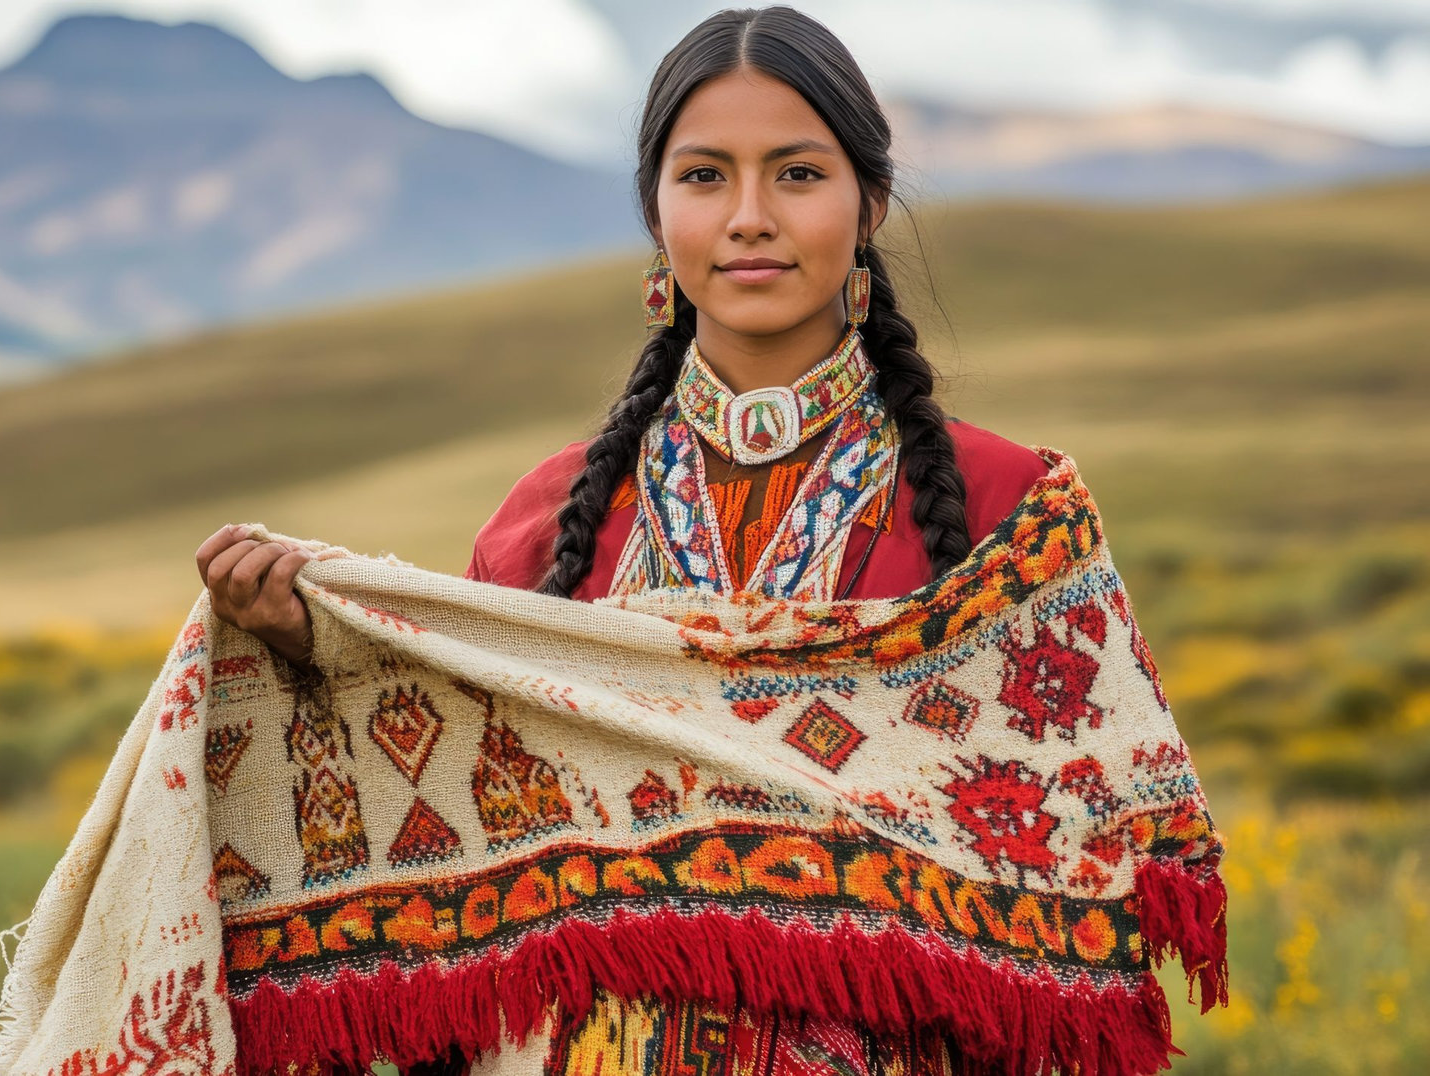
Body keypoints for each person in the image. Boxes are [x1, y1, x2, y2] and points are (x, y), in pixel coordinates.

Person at [197, 6, 1069, 1073]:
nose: (750, 215)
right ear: (657, 212)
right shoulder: (543, 521)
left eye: (797, 174)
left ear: (870, 200)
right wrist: (307, 648)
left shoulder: (1007, 509)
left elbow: (1078, 858)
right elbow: (459, 826)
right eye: (705, 176)